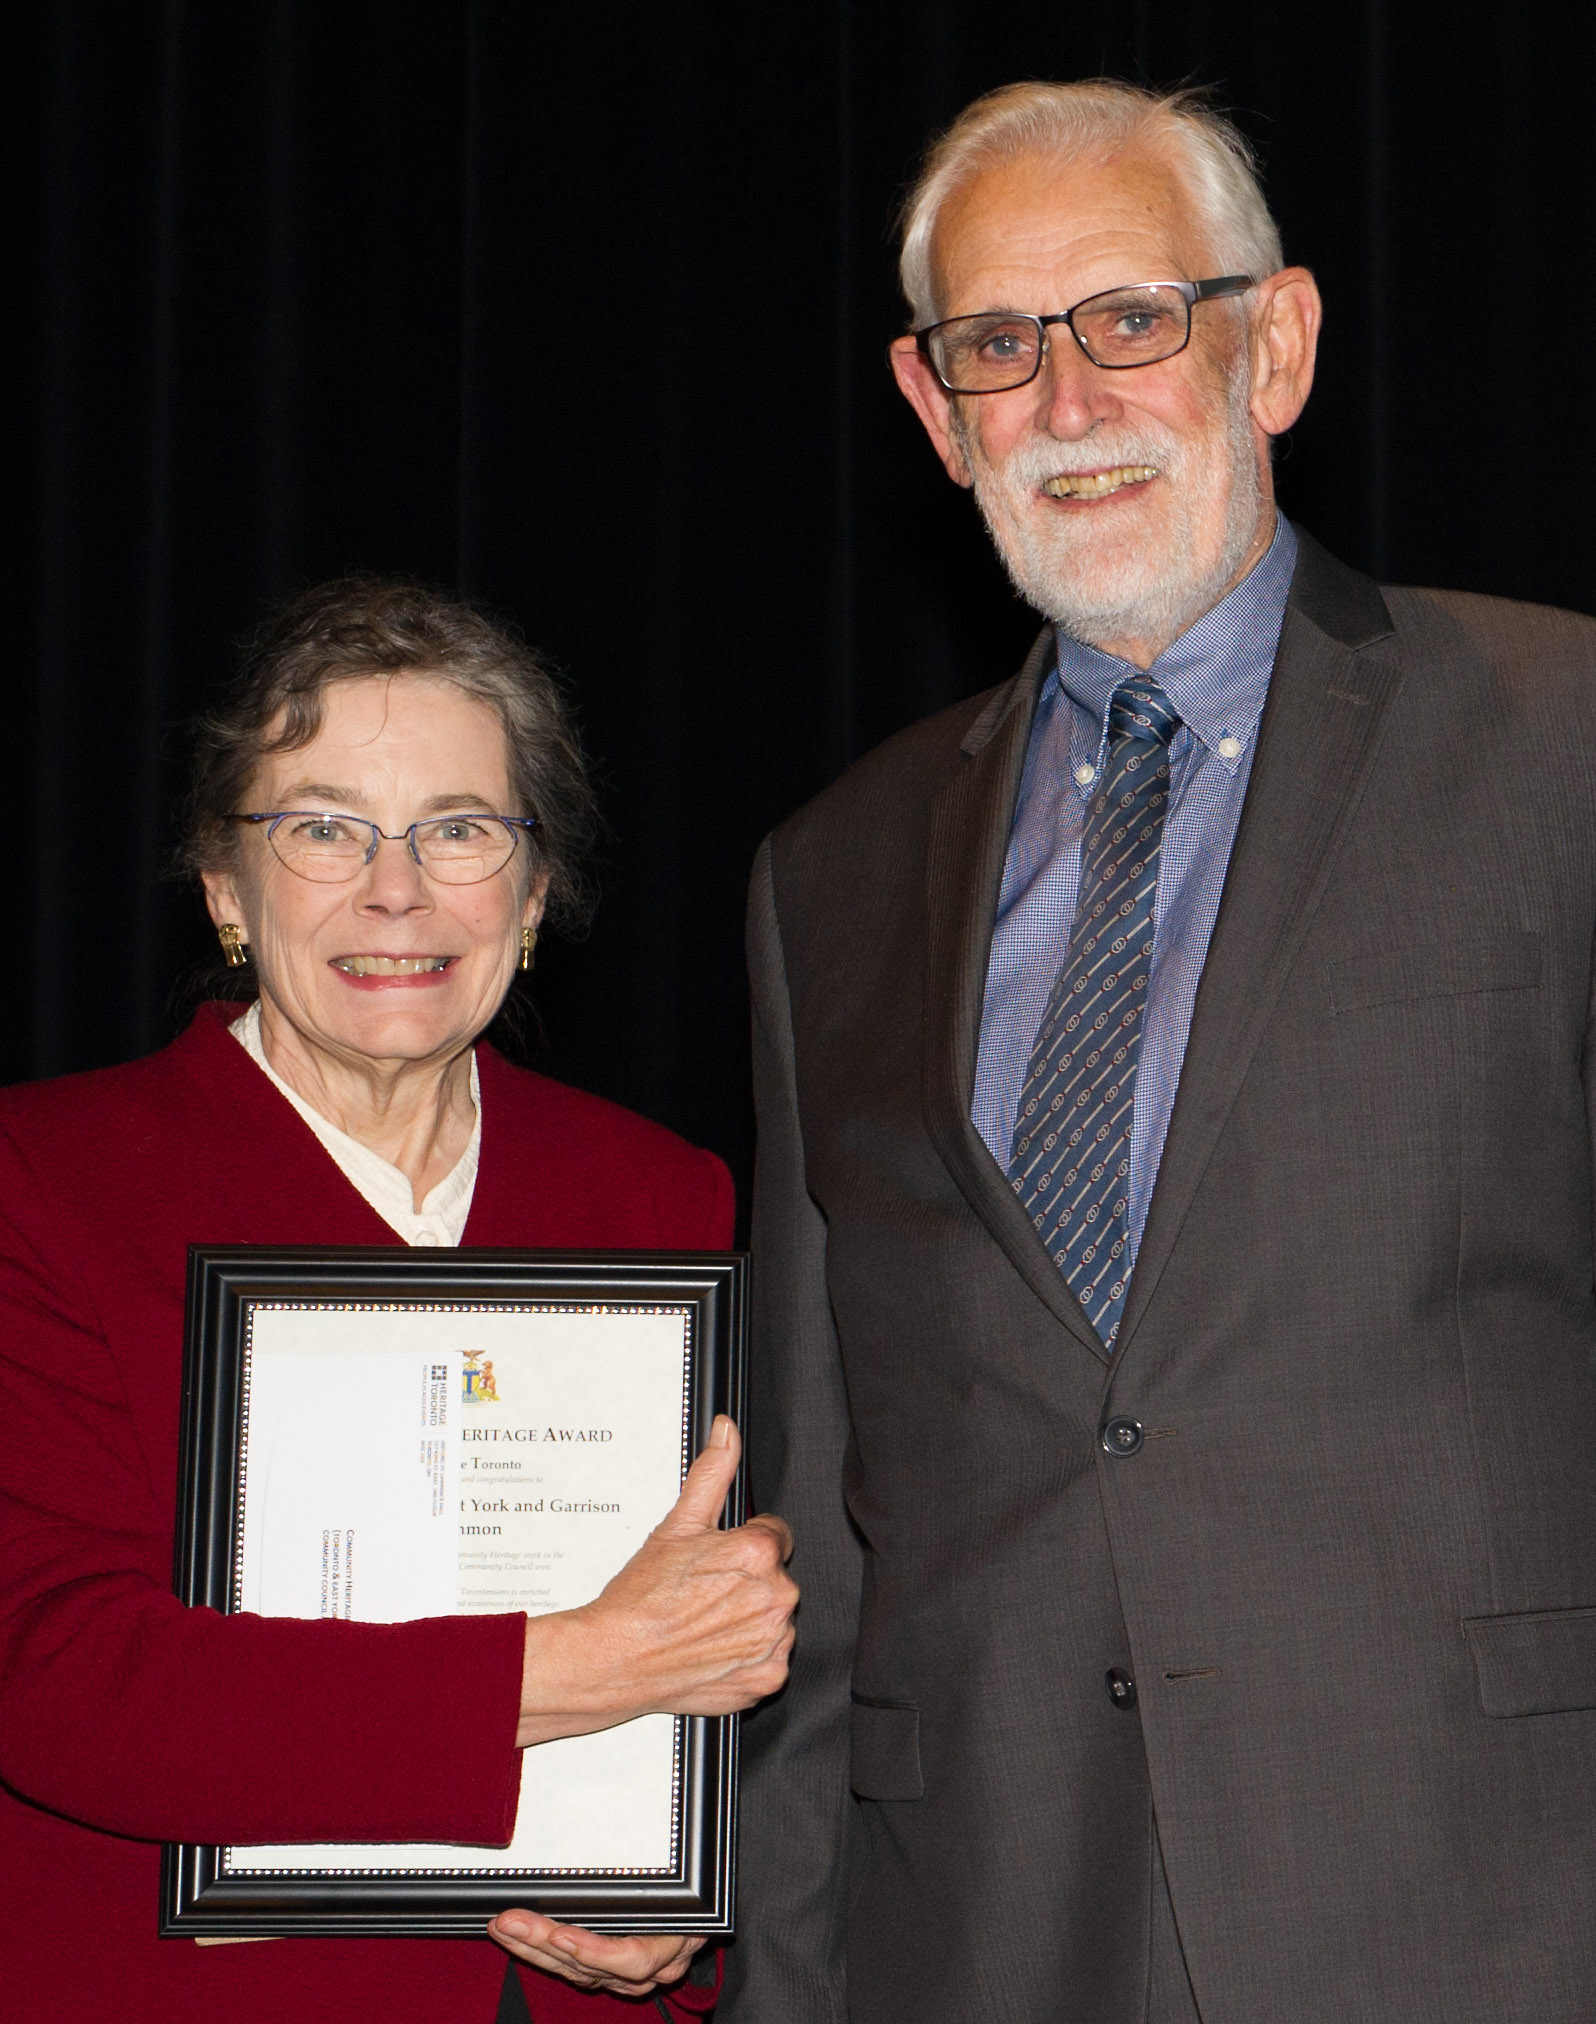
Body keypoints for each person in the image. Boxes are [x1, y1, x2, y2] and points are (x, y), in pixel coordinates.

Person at [727, 77, 1596, 2023]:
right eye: (997, 347)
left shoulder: (1565, 745)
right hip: (994, 1932)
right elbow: (824, 1527)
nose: (1067, 401)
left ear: (1272, 344)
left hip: (1494, 1913)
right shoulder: (829, 876)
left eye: (1132, 318)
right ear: (932, 406)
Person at [0, 578, 798, 2023]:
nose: (395, 889)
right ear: (225, 891)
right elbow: (56, 1676)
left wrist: (684, 1915)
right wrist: (580, 1668)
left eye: (460, 830)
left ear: (536, 892)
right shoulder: (41, 1181)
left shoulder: (657, 1199)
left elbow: (737, 1690)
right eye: (321, 828)